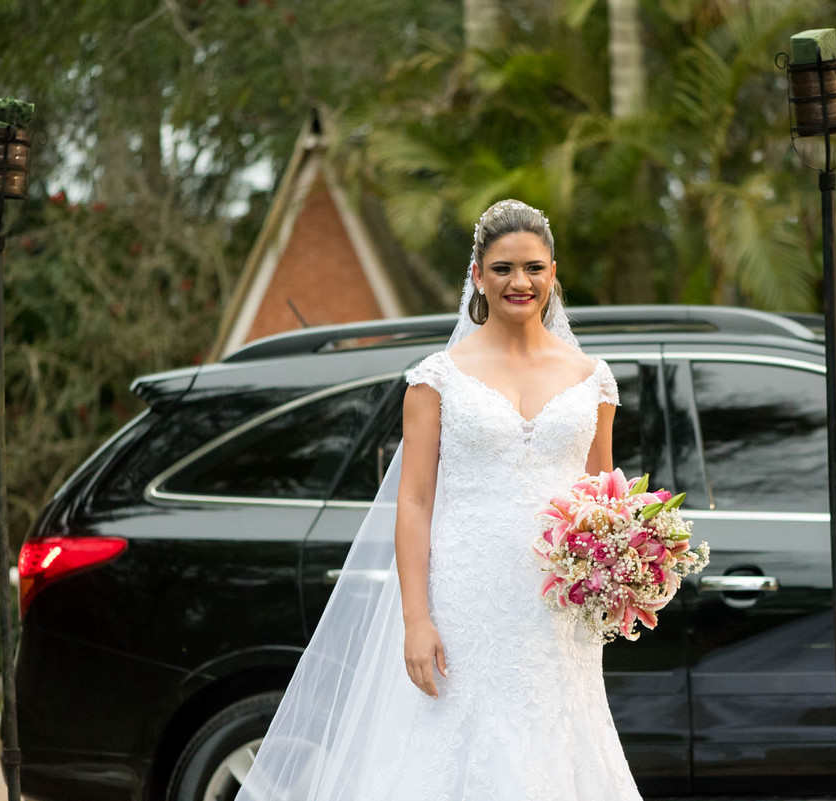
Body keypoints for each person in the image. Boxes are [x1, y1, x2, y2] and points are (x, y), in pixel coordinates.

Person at [233, 199, 643, 801]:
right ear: (478, 275)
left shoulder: (591, 380)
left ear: (553, 274)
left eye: (533, 268)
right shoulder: (437, 378)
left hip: (555, 615)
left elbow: (605, 496)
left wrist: (626, 572)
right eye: (502, 269)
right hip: (464, 607)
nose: (519, 282)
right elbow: (416, 503)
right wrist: (417, 620)